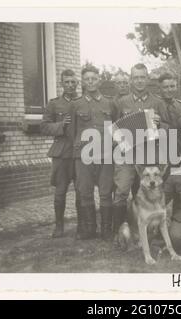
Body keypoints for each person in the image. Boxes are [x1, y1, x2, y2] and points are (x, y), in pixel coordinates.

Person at [112, 63, 171, 237]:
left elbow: (168, 128)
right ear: (131, 80)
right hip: (127, 155)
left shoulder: (158, 102)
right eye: (136, 77)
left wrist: (161, 124)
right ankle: (120, 232)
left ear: (148, 79)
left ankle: (146, 230)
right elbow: (114, 129)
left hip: (149, 155)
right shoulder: (121, 102)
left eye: (142, 77)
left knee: (146, 192)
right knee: (122, 191)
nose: (139, 81)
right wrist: (120, 144)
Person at [70, 65, 117, 240]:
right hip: (84, 154)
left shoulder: (109, 103)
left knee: (106, 192)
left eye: (93, 78)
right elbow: (72, 132)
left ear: (99, 80)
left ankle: (106, 229)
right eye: (87, 79)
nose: (90, 82)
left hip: (105, 153)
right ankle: (89, 229)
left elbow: (116, 127)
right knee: (85, 191)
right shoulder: (76, 104)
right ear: (82, 82)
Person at [40, 69, 80, 238]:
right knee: (60, 192)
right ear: (61, 84)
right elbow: (44, 127)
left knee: (81, 191)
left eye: (73, 82)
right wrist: (61, 125)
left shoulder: (83, 102)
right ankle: (59, 226)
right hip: (62, 153)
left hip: (79, 153)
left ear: (77, 83)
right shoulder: (54, 104)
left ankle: (82, 225)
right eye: (67, 82)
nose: (70, 85)